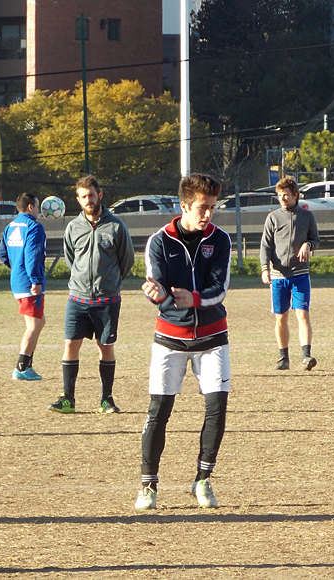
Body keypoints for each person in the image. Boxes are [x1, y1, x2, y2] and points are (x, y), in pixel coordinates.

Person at [136, 173, 231, 511]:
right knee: (159, 411)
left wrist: (193, 298)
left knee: (217, 409)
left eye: (212, 208)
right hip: (170, 339)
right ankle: (148, 485)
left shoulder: (220, 240)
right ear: (185, 206)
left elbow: (219, 290)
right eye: (202, 208)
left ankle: (203, 479)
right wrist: (158, 294)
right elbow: (157, 287)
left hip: (213, 337)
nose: (208, 215)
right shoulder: (159, 241)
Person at [48, 174, 135, 414]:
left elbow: (126, 261)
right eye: (84, 196)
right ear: (78, 199)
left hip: (107, 300)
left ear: (100, 195)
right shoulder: (73, 227)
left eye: (92, 195)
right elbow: (71, 259)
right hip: (77, 299)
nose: (89, 200)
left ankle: (106, 399)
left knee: (105, 346)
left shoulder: (116, 226)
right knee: (70, 344)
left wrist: (110, 283)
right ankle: (68, 399)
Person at [260, 175, 320, 371]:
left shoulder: (307, 216)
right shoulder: (273, 217)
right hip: (279, 276)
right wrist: (265, 268)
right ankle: (283, 358)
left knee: (302, 314)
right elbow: (265, 246)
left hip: (300, 274)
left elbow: (316, 240)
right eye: (279, 195)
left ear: (296, 195)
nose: (283, 198)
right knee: (281, 317)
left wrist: (308, 244)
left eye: (286, 195)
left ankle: (306, 355)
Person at [0, 192, 47, 381]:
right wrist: (35, 279)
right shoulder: (34, 227)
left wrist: (16, 268)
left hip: (17, 280)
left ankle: (28, 365)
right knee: (33, 326)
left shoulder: (10, 226)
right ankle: (21, 367)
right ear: (30, 207)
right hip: (29, 282)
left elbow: (2, 253)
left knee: (40, 322)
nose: (39, 211)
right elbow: (32, 255)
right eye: (37, 207)